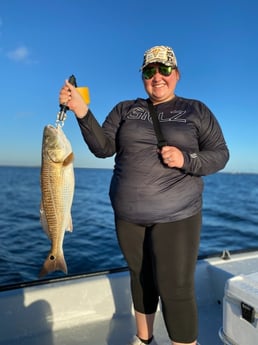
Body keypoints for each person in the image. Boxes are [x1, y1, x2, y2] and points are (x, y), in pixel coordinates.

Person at [59, 45, 229, 345]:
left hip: (177, 214)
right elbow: (103, 148)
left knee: (175, 287)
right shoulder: (125, 108)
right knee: (140, 277)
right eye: (149, 71)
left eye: (164, 70)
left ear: (175, 74)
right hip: (128, 215)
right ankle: (143, 339)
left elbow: (220, 154)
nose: (157, 77)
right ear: (143, 76)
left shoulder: (196, 110)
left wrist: (187, 160)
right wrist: (82, 112)